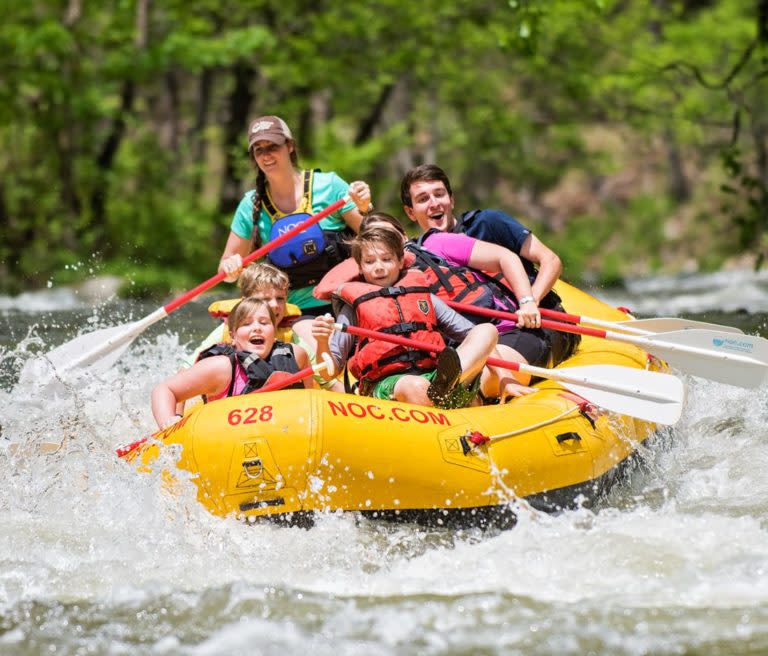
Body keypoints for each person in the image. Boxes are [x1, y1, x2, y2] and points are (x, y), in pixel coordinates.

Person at [217, 115, 373, 350]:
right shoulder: (251, 205)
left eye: (273, 146)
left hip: (348, 300)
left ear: (289, 146)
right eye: (259, 150)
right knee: (325, 349)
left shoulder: (329, 186)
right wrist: (231, 268)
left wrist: (365, 207)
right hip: (298, 312)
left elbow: (377, 238)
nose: (266, 155)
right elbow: (225, 270)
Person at [400, 164, 580, 366]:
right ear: (410, 212)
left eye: (439, 194)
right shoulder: (420, 255)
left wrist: (530, 301)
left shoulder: (487, 223)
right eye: (423, 199)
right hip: (488, 336)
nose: (434, 203)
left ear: (451, 199)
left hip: (539, 324)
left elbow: (551, 260)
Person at [312, 226, 511, 408]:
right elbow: (328, 371)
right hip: (388, 383)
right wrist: (322, 341)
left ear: (400, 262)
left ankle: (444, 387)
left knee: (487, 330)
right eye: (370, 262)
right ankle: (446, 395)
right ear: (361, 267)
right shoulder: (353, 308)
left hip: (433, 376)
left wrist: (504, 378)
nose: (378, 267)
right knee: (415, 386)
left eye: (387, 259)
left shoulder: (423, 297)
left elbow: (475, 336)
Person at [152, 298, 311, 430]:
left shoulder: (296, 355)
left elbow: (310, 399)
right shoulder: (221, 368)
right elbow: (164, 389)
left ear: (274, 332)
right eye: (246, 324)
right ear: (233, 337)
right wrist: (169, 424)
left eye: (264, 323)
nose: (257, 328)